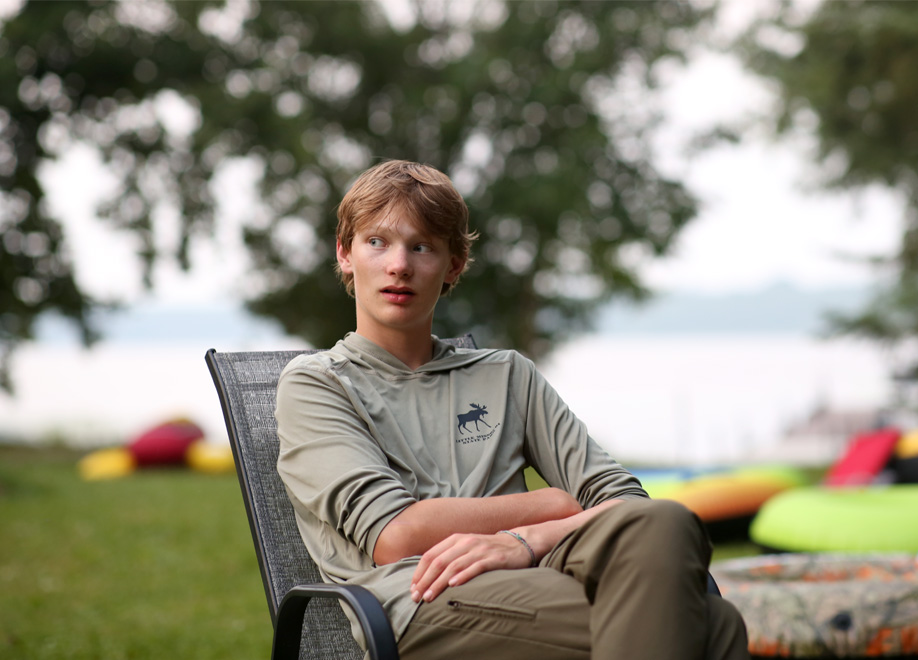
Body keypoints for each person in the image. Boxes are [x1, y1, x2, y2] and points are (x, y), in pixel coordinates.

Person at [275, 159, 749, 659]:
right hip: (426, 594)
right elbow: (397, 535)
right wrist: (551, 504)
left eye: (422, 246)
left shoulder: (506, 374)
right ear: (345, 253)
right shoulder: (317, 384)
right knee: (713, 626)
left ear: (453, 264)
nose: (399, 265)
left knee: (666, 521)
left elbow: (627, 503)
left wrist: (526, 540)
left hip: (541, 566)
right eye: (377, 242)